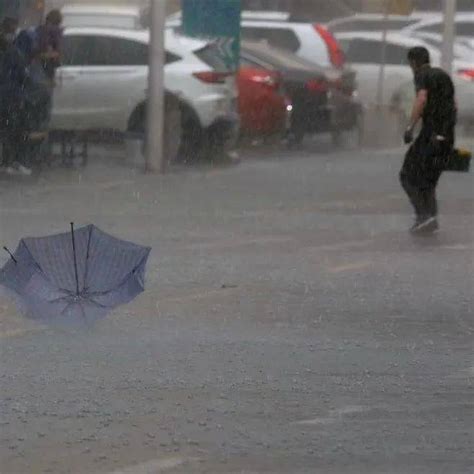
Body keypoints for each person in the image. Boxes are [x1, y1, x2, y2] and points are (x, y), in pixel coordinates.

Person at [400, 46, 457, 235]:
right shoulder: (443, 76)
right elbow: (454, 104)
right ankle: (430, 218)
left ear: (413, 63)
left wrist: (410, 127)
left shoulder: (422, 75)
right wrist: (446, 131)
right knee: (429, 179)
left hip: (430, 134)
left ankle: (424, 216)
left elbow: (421, 99)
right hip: (447, 137)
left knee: (407, 175)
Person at [0, 16, 32, 176]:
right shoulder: (14, 52)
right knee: (14, 131)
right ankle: (13, 161)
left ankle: (6, 162)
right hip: (11, 97)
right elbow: (24, 75)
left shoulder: (9, 51)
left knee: (6, 131)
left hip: (5, 97)